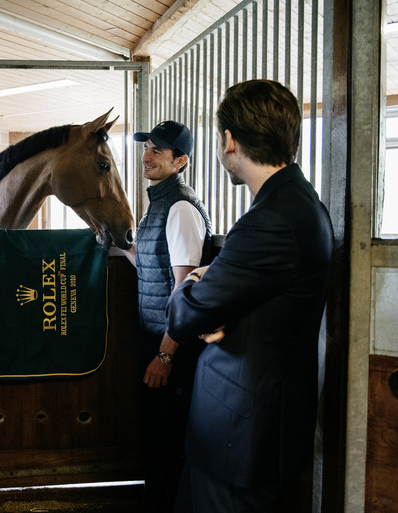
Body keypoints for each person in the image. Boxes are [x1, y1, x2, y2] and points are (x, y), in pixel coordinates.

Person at [166, 80, 334, 513]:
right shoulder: (296, 204)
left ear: (229, 141)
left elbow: (184, 317)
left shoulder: (273, 220)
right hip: (245, 430)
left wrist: (195, 278)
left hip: (240, 438)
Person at [126, 120, 212, 513]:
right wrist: (117, 245)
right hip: (155, 336)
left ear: (180, 161)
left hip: (170, 344)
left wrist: (165, 354)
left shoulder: (179, 207)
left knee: (166, 445)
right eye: (146, 147)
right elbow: (152, 265)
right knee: (153, 443)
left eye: (158, 150)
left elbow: (184, 288)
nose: (147, 155)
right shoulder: (160, 203)